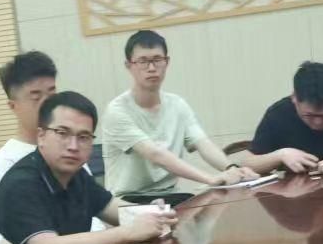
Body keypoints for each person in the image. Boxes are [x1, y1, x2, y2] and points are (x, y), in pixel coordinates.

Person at [0, 92, 176, 244]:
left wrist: (153, 213)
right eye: (62, 133)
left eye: (83, 137)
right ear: (41, 136)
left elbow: (114, 209)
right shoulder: (21, 182)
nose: (73, 146)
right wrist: (127, 232)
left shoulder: (76, 175)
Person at [102, 30, 258, 198]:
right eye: (143, 61)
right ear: (129, 66)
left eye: (157, 60)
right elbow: (155, 155)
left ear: (167, 62)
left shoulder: (177, 105)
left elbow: (202, 143)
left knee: (218, 201)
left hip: (170, 195)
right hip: (128, 200)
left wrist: (232, 169)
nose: (151, 68)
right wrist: (211, 179)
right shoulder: (117, 111)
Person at [0, 50, 58, 191]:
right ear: (13, 106)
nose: (47, 103)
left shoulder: (68, 144)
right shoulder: (8, 161)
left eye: (52, 94)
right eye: (36, 97)